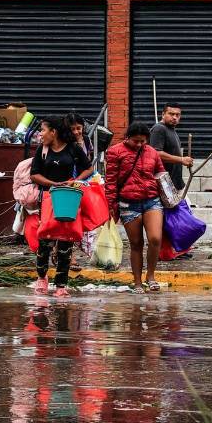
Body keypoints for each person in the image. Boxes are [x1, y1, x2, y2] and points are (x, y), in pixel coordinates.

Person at [30, 116, 94, 297]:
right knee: (45, 240)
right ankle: (42, 277)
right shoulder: (42, 150)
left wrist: (75, 181)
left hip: (69, 197)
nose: (40, 134)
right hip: (49, 198)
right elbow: (34, 175)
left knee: (66, 240)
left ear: (53, 132)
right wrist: (52, 184)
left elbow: (88, 168)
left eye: (43, 130)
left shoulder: (73, 148)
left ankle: (61, 285)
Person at [105, 122, 167, 293]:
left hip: (152, 200)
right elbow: (110, 181)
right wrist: (111, 205)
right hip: (128, 203)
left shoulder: (152, 152)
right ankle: (138, 281)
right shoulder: (115, 152)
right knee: (136, 244)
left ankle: (151, 276)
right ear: (127, 138)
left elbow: (161, 174)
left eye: (143, 141)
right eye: (135, 141)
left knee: (155, 239)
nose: (139, 145)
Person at [149, 104, 194, 190]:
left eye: (177, 115)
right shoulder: (159, 129)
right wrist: (181, 159)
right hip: (165, 184)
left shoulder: (171, 129)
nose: (174, 117)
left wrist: (184, 160)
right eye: (171, 114)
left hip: (174, 182)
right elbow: (156, 153)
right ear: (163, 114)